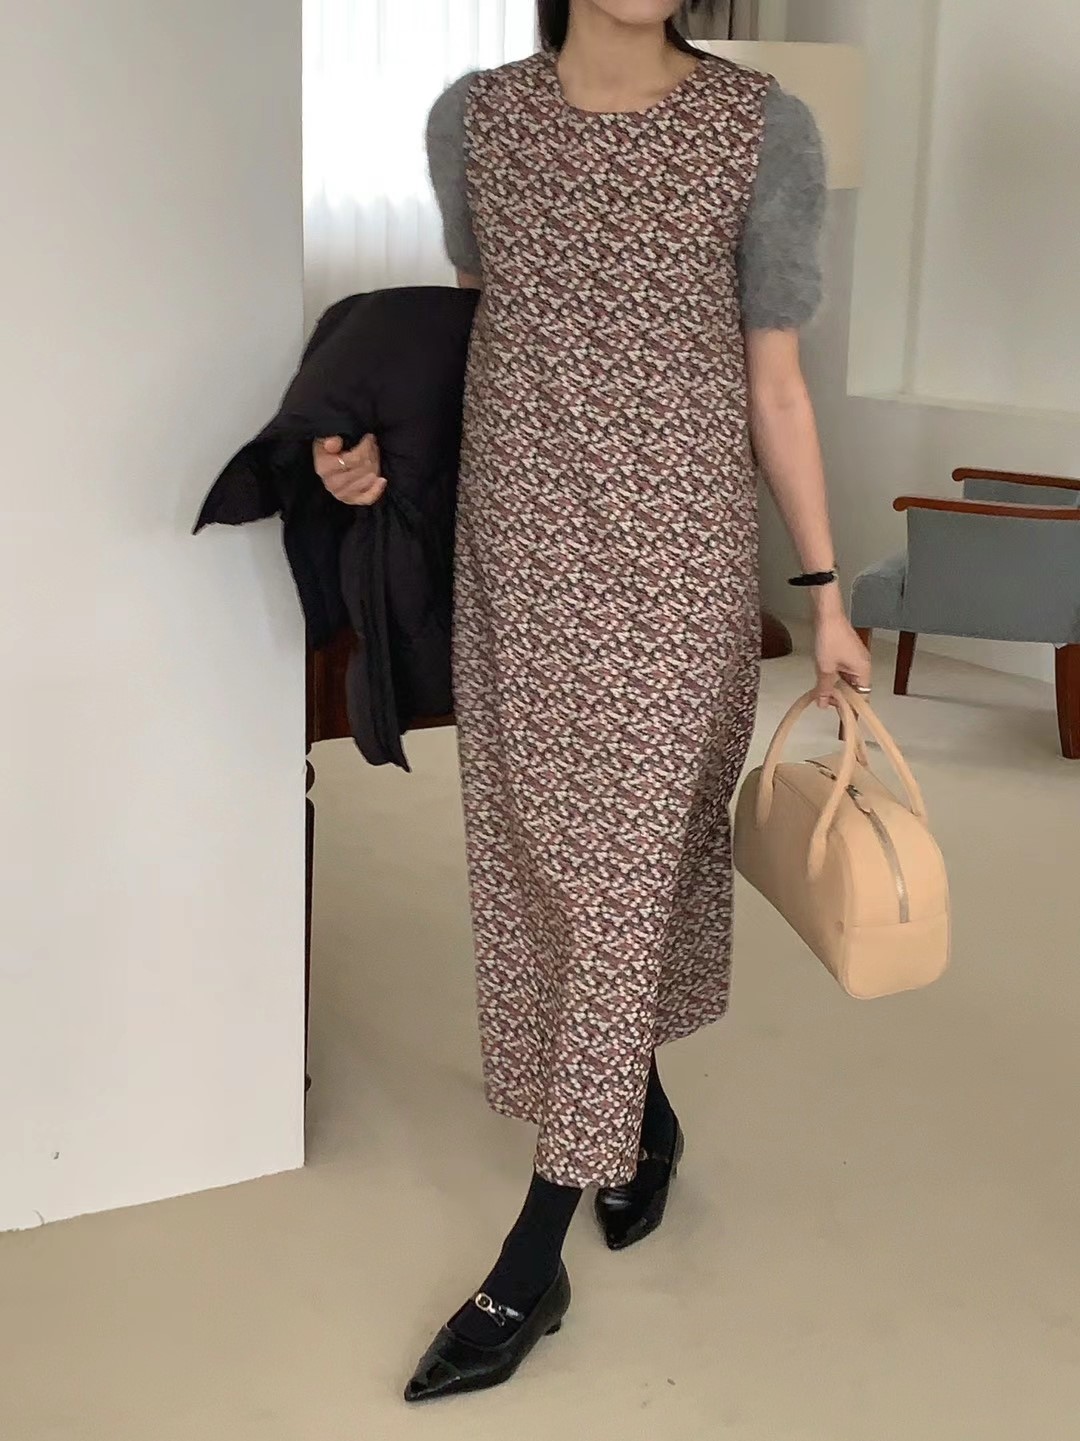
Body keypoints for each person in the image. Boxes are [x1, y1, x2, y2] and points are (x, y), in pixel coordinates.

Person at [315, 0, 871, 1404]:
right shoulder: (474, 119)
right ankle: (645, 1112)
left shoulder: (763, 130)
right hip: (518, 552)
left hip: (678, 558)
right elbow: (480, 336)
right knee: (544, 862)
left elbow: (777, 386)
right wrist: (366, 453)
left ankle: (533, 1250)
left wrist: (823, 593)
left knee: (624, 870)